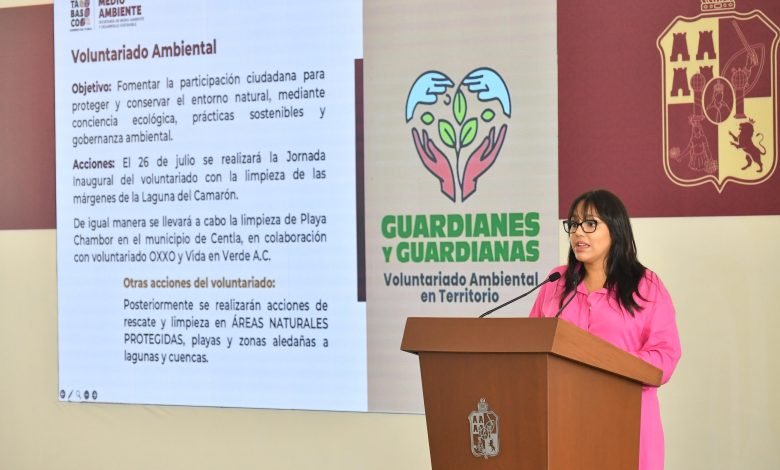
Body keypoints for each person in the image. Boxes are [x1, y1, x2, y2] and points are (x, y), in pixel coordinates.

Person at [529, 189, 681, 470]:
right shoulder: (556, 282)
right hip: (564, 420)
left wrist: (607, 365)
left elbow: (665, 357)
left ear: (616, 229)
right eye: (574, 224)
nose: (578, 232)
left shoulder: (646, 286)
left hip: (627, 419)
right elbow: (532, 346)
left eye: (590, 223)